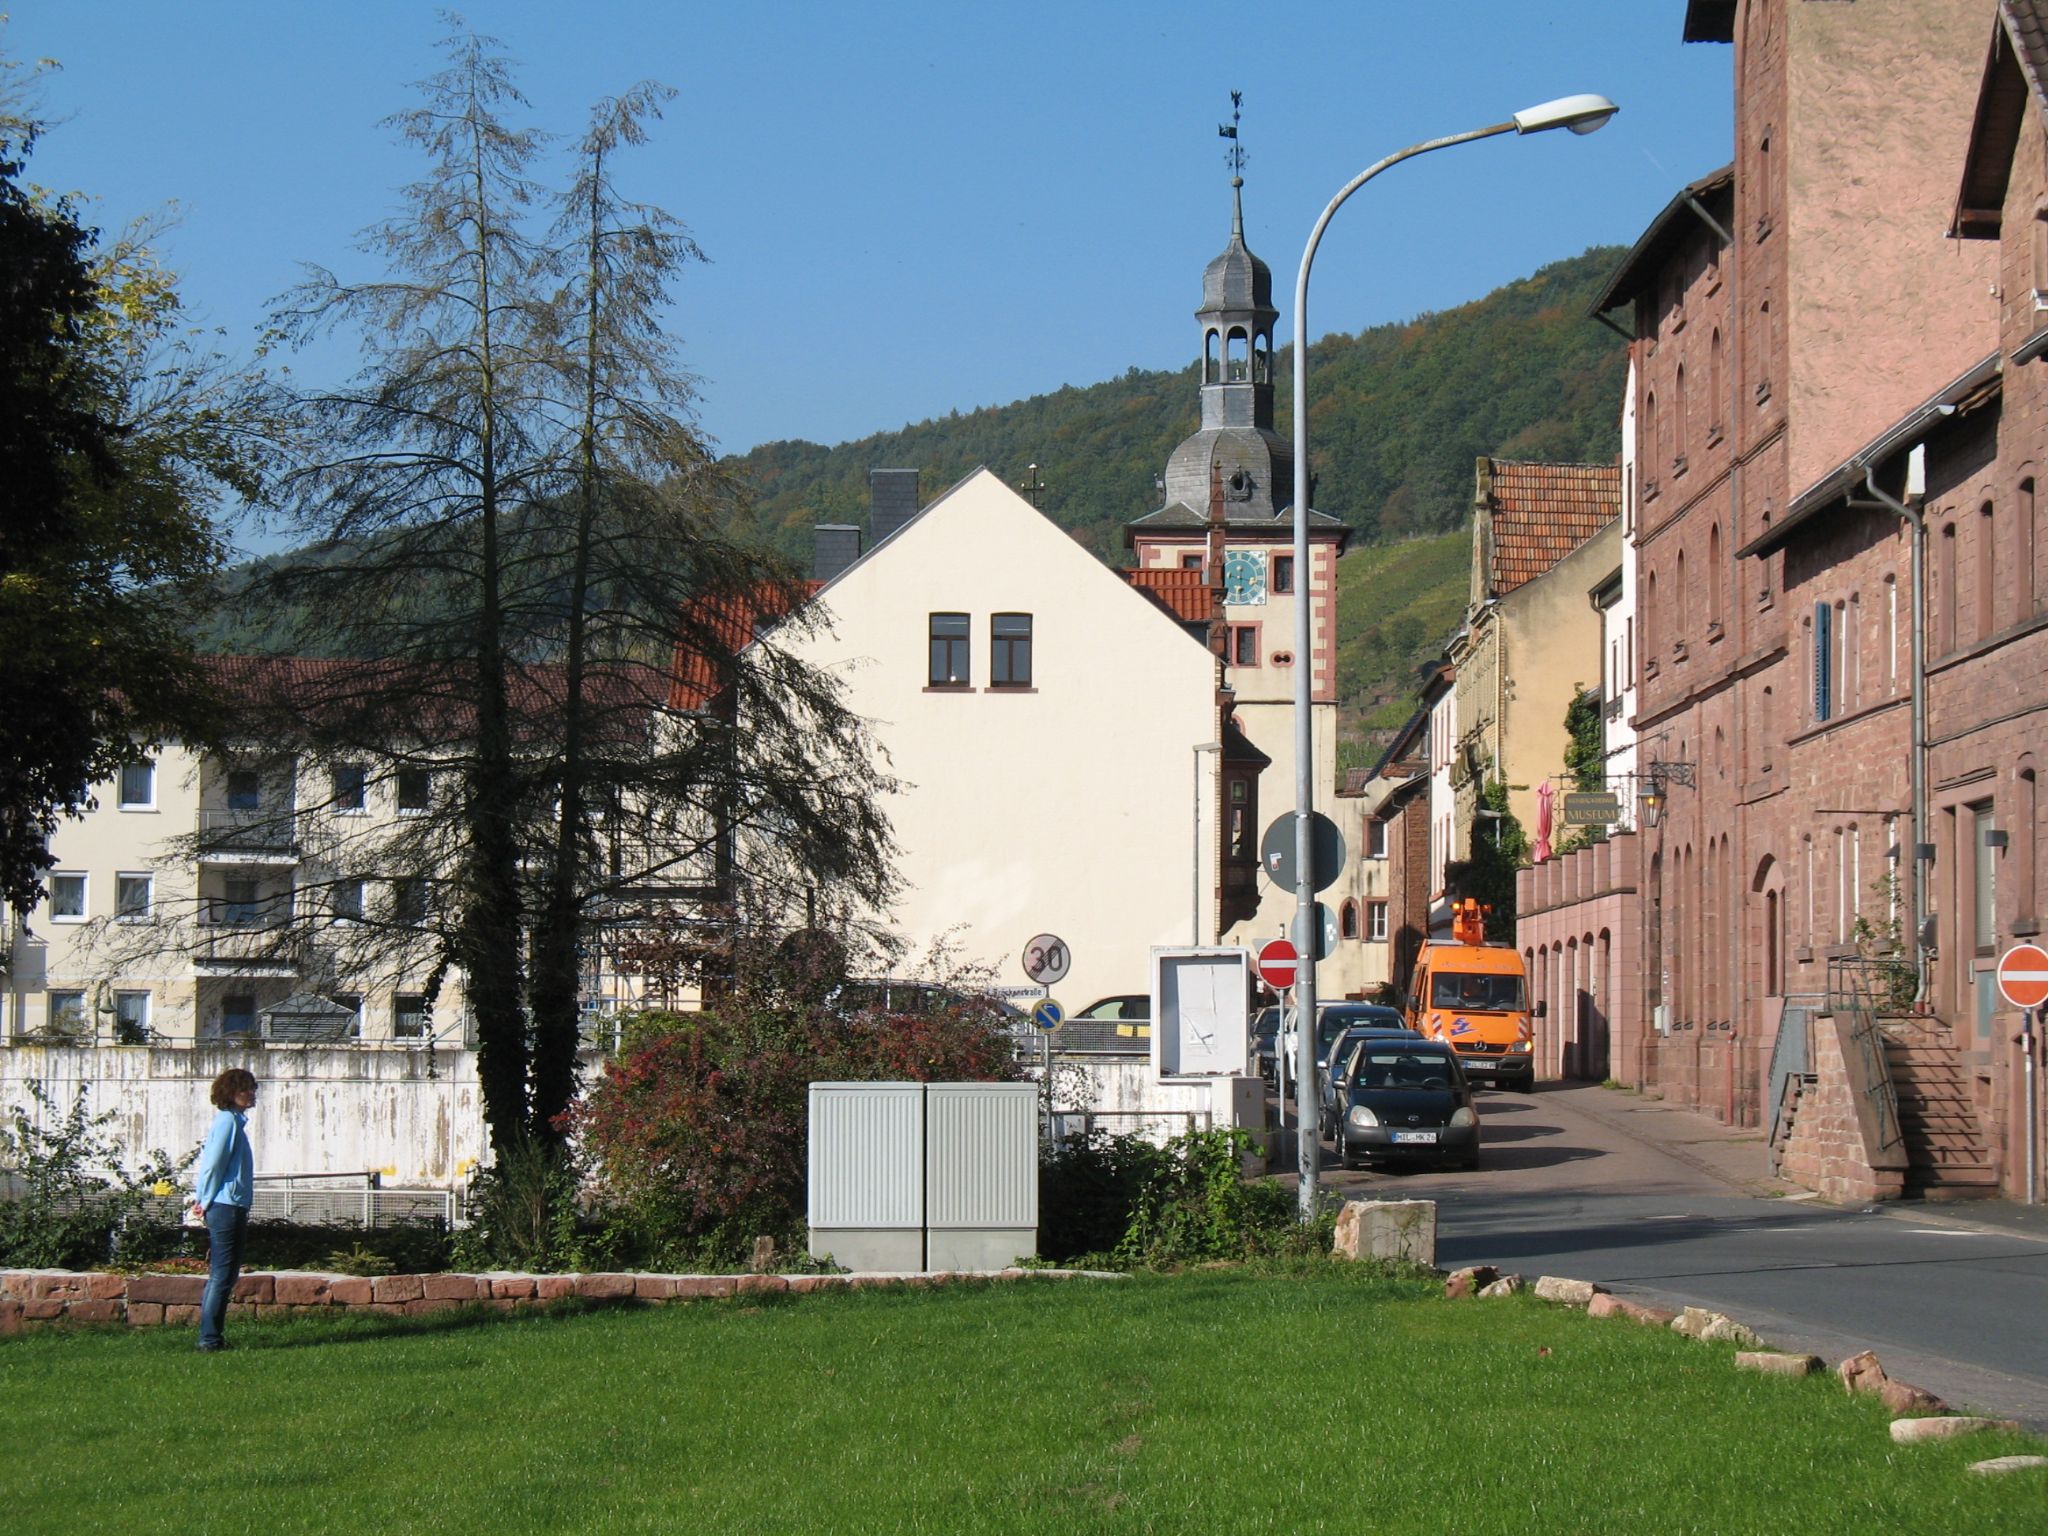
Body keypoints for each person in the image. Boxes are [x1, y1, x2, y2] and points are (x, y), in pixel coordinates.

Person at [190, 1068, 257, 1352]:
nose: (252, 1094)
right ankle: (209, 1339)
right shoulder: (227, 1122)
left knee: (227, 1274)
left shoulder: (234, 1123)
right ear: (232, 1093)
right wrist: (203, 1201)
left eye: (254, 1088)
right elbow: (213, 1165)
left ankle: (212, 1336)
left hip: (233, 1205)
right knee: (221, 1274)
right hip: (224, 1206)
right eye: (246, 1089)